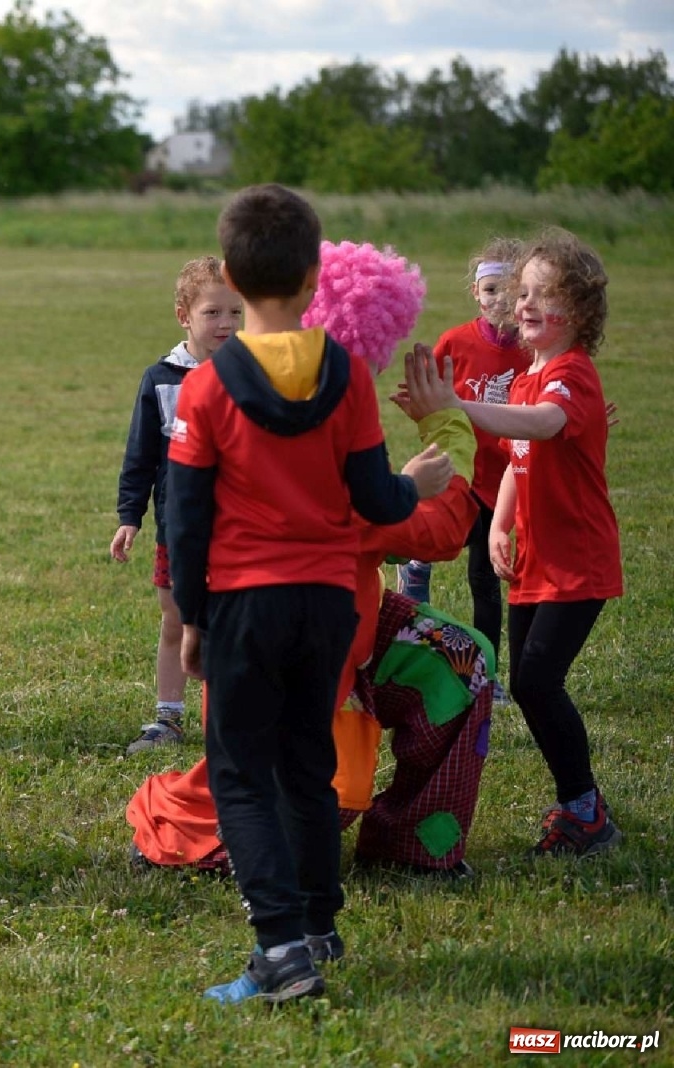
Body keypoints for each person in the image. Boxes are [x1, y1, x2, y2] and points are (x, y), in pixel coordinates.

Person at [165, 184, 452, 1003]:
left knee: (242, 776)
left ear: (230, 272)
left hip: (249, 604)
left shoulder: (207, 388)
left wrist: (194, 617)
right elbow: (376, 500)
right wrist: (415, 482)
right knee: (308, 764)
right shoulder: (348, 377)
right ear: (313, 277)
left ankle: (281, 954)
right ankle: (321, 928)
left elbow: (186, 521)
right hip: (329, 605)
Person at [130, 349, 492, 882]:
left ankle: (412, 845)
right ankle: (179, 824)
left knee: (459, 663)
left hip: (348, 635)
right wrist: (443, 428)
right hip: (286, 664)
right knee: (313, 803)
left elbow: (401, 532)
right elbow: (438, 527)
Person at [447, 228, 622, 857]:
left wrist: (460, 406)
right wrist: (498, 522)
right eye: (521, 292)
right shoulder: (528, 376)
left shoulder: (570, 374)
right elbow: (521, 457)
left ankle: (586, 812)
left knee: (539, 682)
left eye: (540, 295)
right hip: (533, 560)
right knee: (526, 682)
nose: (522, 304)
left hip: (578, 560)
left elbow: (544, 426)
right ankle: (579, 805)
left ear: (575, 313)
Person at [110, 256, 242, 753]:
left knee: (232, 621)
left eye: (235, 312)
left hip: (238, 529)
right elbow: (140, 455)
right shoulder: (161, 379)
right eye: (213, 313)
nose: (226, 324)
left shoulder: (251, 374)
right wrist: (130, 517)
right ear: (184, 315)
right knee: (177, 619)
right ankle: (168, 717)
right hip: (179, 527)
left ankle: (229, 715)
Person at [396, 239, 528, 696]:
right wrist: (419, 405)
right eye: (491, 290)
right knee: (433, 542)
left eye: (511, 293)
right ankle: (413, 577)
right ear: (476, 292)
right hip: (459, 471)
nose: (500, 302)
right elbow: (429, 395)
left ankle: (488, 678)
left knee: (486, 582)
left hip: (503, 480)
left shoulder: (532, 351)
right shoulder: (455, 341)